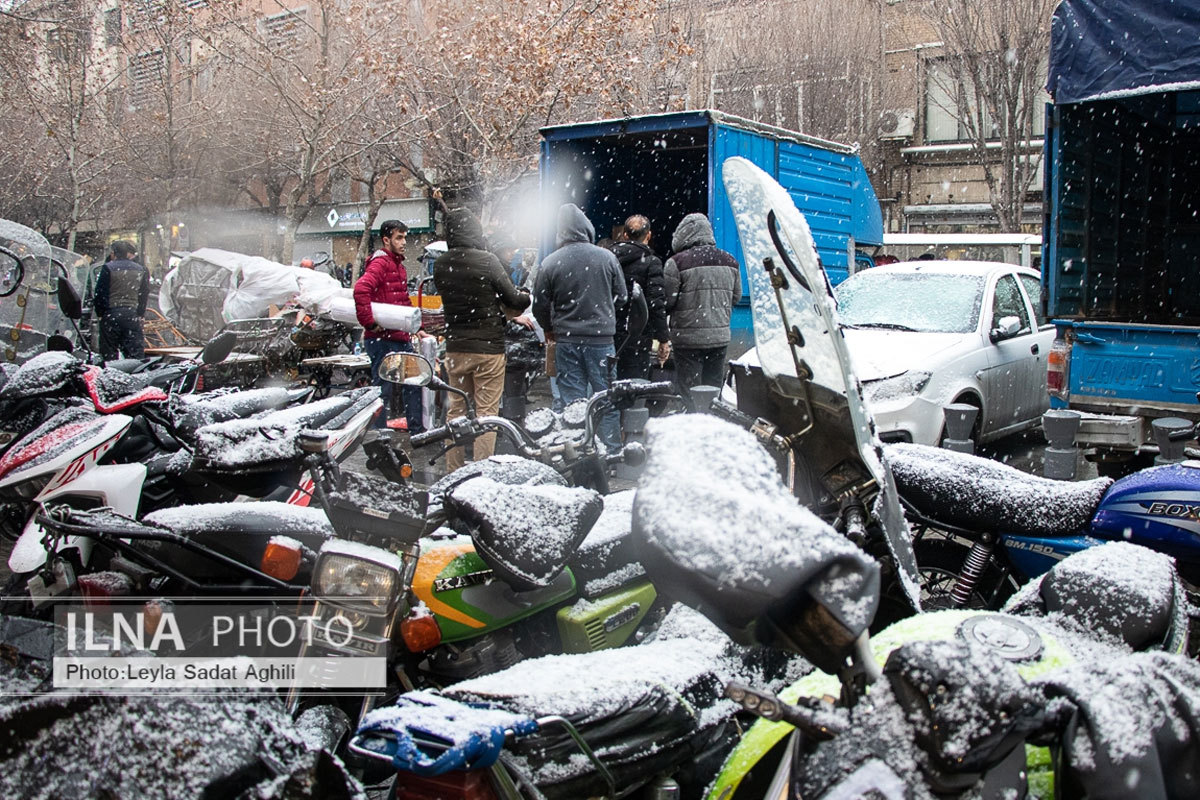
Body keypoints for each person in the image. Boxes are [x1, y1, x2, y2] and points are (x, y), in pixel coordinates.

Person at [434, 208, 532, 471]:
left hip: (455, 348)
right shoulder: (487, 260)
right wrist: (525, 295)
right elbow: (513, 299)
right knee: (486, 414)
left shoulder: (442, 265)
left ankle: (453, 471)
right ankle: (481, 473)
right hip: (488, 348)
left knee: (456, 412)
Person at [533, 203, 627, 449]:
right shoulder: (607, 257)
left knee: (573, 403)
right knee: (606, 397)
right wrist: (605, 313)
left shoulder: (551, 262)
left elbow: (539, 305)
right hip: (602, 341)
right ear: (587, 228)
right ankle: (611, 451)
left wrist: (549, 327)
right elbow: (623, 296)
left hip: (566, 341)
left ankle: (579, 452)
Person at [354, 220, 423, 432]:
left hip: (398, 337)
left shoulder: (398, 266)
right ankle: (379, 433)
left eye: (405, 237)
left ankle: (416, 429)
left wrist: (415, 327)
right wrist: (370, 323)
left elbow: (402, 301)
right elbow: (360, 289)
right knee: (383, 388)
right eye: (399, 238)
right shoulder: (381, 263)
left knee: (413, 383)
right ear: (386, 240)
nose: (404, 242)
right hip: (382, 339)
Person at [662, 212, 742, 391]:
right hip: (719, 337)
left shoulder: (676, 263)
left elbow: (668, 301)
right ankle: (711, 417)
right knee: (712, 389)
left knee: (689, 389)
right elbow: (736, 297)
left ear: (683, 235)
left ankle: (692, 416)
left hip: (687, 339)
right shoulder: (731, 261)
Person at [609, 215, 670, 380]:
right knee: (635, 387)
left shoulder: (608, 259)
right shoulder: (652, 263)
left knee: (608, 383)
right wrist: (663, 339)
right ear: (648, 235)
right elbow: (656, 303)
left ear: (625, 235)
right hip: (637, 336)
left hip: (608, 333)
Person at [94, 240, 150, 360]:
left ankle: (111, 374)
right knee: (134, 354)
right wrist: (140, 313)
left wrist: (101, 313)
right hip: (131, 315)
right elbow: (144, 293)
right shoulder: (141, 269)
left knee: (109, 354)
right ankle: (135, 375)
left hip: (111, 314)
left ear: (114, 253)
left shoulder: (108, 268)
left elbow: (100, 293)